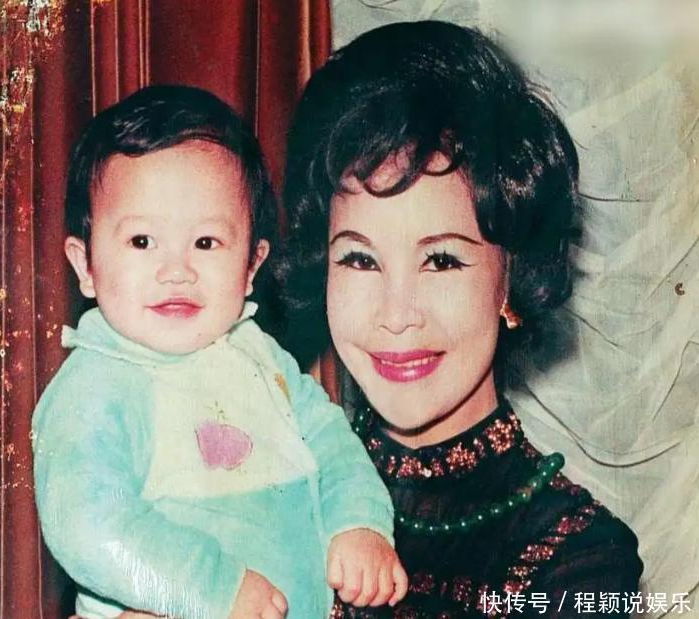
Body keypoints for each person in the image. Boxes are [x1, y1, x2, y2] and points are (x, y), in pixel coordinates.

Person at [275, 20, 644, 617]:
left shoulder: (580, 560)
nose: (397, 315)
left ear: (512, 280)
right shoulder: (275, 480)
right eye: (360, 259)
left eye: (441, 260)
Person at [31, 84, 408, 619]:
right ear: (85, 265)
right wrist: (213, 586)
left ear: (252, 266)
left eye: (206, 243)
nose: (177, 270)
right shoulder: (97, 385)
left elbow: (333, 446)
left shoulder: (262, 359)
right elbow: (86, 521)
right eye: (142, 242)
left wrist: (360, 523)